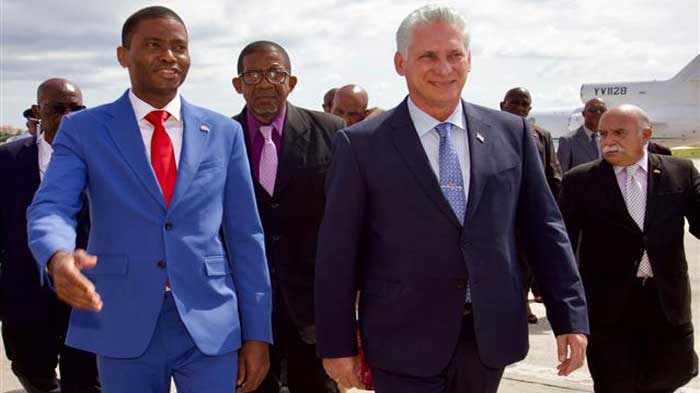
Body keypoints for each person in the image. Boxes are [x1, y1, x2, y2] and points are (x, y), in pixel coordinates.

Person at [314, 5, 589, 393]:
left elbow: (545, 229)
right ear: (400, 62)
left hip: (489, 338)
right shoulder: (360, 145)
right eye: (428, 56)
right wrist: (337, 344)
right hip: (402, 343)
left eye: (454, 55)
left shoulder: (512, 134)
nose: (444, 68)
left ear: (469, 60)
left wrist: (570, 318)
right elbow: (337, 253)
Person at [26, 7, 272, 393]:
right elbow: (51, 206)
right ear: (124, 55)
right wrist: (57, 256)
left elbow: (246, 237)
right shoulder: (84, 129)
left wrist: (258, 333)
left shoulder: (224, 132)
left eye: (179, 47)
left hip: (210, 322)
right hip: (123, 320)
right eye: (154, 45)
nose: (169, 56)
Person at [559, 104, 699, 392]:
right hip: (609, 309)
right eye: (603, 133)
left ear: (646, 134)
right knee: (616, 384)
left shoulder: (680, 172)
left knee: (677, 372)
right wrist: (567, 311)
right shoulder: (580, 181)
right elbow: (562, 249)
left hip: (667, 304)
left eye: (619, 133)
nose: (609, 140)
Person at [232, 40, 344, 393]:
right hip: (246, 314)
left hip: (314, 310)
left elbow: (351, 217)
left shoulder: (332, 131)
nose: (265, 83)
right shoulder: (220, 138)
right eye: (252, 74)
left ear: (291, 82)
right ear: (238, 84)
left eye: (275, 73)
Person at [0, 79, 99, 393]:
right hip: (25, 297)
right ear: (38, 112)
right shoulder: (8, 160)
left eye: (77, 108)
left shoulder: (104, 161)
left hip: (88, 296)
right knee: (31, 370)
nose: (68, 116)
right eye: (58, 108)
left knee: (87, 382)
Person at [500, 86, 563, 324]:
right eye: (514, 102)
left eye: (524, 104)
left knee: (526, 260)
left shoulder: (542, 136)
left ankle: (523, 303)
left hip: (529, 211)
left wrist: (555, 209)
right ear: (502, 105)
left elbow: (553, 174)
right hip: (499, 212)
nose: (519, 108)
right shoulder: (486, 133)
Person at [557, 97, 607, 172]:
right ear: (583, 114)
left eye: (602, 110)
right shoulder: (568, 141)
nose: (598, 113)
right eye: (592, 110)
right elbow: (561, 174)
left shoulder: (608, 139)